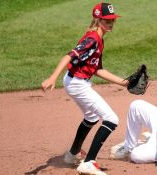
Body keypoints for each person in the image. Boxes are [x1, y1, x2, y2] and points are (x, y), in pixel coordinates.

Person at [41, 2, 126, 175]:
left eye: (112, 20)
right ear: (98, 19)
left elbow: (97, 69)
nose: (111, 23)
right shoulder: (92, 38)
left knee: (92, 116)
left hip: (76, 81)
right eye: (107, 20)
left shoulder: (98, 39)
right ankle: (88, 162)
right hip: (77, 83)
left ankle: (72, 154)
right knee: (111, 119)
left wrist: (123, 82)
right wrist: (52, 77)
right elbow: (69, 55)